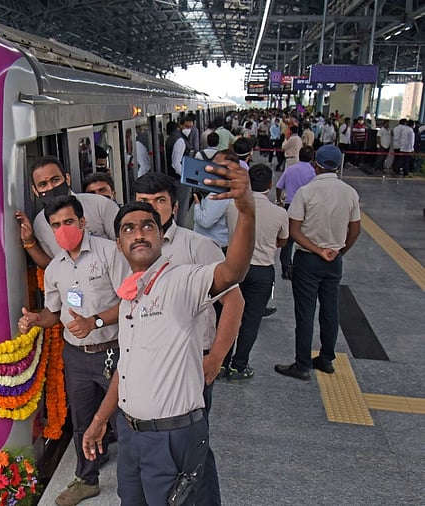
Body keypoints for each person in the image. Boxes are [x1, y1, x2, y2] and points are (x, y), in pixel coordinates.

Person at [81, 158, 255, 506]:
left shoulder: (180, 278)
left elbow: (233, 272)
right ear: (118, 244)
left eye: (148, 225)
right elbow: (126, 368)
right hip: (131, 433)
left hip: (172, 434)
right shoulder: (130, 296)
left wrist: (247, 211)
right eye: (128, 228)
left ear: (162, 233)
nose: (139, 232)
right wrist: (101, 419)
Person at [132, 172, 245, 506]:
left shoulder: (198, 247)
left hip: (193, 362)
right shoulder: (131, 248)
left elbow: (234, 301)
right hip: (149, 364)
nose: (150, 210)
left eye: (159, 202)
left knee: (194, 444)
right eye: (143, 202)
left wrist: (216, 358)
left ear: (175, 206)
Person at [17, 195, 126, 506]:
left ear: (82, 222)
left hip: (112, 350)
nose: (62, 229)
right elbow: (55, 312)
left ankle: (136, 481)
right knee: (81, 419)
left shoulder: (109, 253)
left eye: (68, 222)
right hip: (76, 354)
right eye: (55, 225)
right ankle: (86, 478)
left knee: (123, 419)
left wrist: (96, 321)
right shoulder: (55, 269)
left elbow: (130, 300)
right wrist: (37, 319)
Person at [275, 145, 361, 381]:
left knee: (305, 312)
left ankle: (302, 364)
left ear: (316, 164)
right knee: (330, 310)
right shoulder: (350, 193)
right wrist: (339, 251)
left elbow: (294, 231)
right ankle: (326, 359)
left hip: (308, 260)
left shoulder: (306, 192)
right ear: (338, 165)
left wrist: (318, 250)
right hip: (334, 261)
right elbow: (355, 229)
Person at [221, 164, 288, 380]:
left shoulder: (232, 207)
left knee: (228, 316)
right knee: (251, 320)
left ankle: (222, 362)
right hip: (262, 271)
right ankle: (239, 366)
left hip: (234, 268)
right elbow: (283, 240)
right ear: (270, 185)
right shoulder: (279, 213)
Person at [15, 156, 120, 269]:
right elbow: (52, 266)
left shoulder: (101, 205)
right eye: (43, 184)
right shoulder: (40, 223)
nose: (51, 187)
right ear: (35, 191)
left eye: (55, 180)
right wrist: (29, 242)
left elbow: (123, 245)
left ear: (67, 179)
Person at [275, 146, 316, 280]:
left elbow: (279, 186)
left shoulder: (290, 169)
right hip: (307, 208)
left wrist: (279, 200)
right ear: (312, 158)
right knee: (306, 236)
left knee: (288, 238)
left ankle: (286, 266)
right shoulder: (313, 173)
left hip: (290, 205)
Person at [192, 151, 238, 251]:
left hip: (212, 247)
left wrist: (197, 205)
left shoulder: (220, 195)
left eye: (216, 166)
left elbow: (205, 222)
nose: (211, 169)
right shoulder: (229, 188)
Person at [164, 121, 191, 226]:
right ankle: (180, 228)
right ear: (179, 128)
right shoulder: (180, 140)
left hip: (173, 178)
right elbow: (176, 163)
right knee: (182, 208)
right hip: (179, 179)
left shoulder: (170, 139)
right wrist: (186, 176)